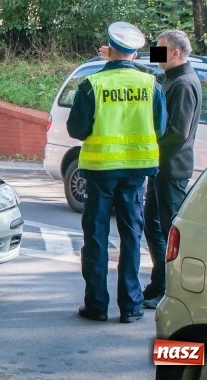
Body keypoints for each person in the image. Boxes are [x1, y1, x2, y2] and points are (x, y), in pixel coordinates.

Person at [67, 21, 167, 323]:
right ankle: (131, 306)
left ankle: (97, 306)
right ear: (135, 55)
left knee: (96, 239)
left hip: (99, 172)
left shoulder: (92, 84)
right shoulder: (151, 85)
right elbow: (161, 128)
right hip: (136, 174)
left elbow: (76, 129)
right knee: (132, 238)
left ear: (108, 50)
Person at [141, 30, 201, 309]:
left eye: (160, 49)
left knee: (168, 231)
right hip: (161, 167)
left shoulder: (184, 83)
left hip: (173, 169)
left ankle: (168, 288)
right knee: (152, 224)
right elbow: (149, 73)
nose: (156, 54)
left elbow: (178, 131)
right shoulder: (171, 78)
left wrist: (148, 139)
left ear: (176, 53)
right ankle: (159, 282)